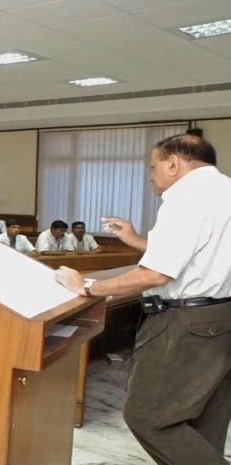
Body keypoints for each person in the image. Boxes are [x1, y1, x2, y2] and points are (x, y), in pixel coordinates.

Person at [55, 134, 231, 465]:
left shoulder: (185, 198)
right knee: (203, 422)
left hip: (183, 324)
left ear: (173, 163)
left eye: (153, 166)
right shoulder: (224, 190)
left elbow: (156, 275)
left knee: (147, 418)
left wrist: (88, 286)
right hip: (221, 317)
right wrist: (136, 240)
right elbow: (198, 257)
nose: (151, 175)